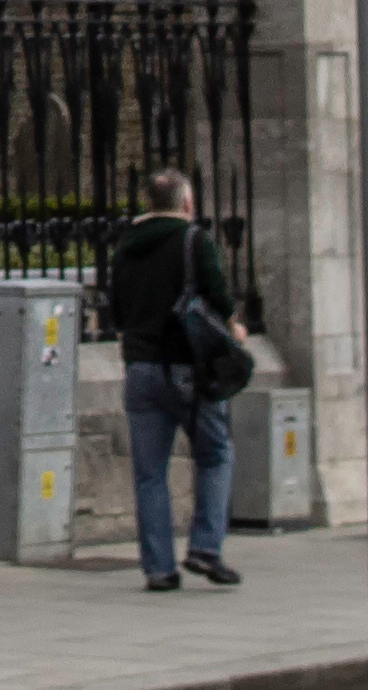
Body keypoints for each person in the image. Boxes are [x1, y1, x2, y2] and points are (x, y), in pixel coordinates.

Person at [100, 167, 242, 592]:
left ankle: (159, 568)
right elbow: (217, 295)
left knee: (150, 473)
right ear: (187, 204)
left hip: (141, 370)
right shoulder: (193, 240)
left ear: (148, 203)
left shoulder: (125, 247)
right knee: (215, 453)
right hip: (187, 367)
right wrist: (233, 329)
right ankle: (205, 545)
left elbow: (118, 312)